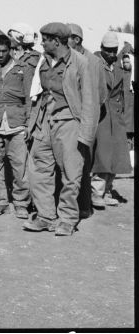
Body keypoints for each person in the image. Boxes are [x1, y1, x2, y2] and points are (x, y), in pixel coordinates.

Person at [23, 23, 98, 236]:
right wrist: (31, 123)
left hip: (69, 121)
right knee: (39, 170)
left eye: (45, 39)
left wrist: (86, 134)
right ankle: (46, 216)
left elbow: (90, 101)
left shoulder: (81, 63)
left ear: (57, 41)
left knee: (70, 173)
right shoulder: (43, 61)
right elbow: (37, 94)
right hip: (44, 120)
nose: (42, 42)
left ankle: (67, 219)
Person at [0, 35, 32, 218]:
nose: (1, 55)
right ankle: (0, 201)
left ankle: (21, 203)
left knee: (20, 168)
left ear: (10, 50)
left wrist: (28, 124)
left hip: (17, 124)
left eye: (4, 51)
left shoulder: (23, 69)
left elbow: (29, 98)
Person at [67, 22, 105, 218]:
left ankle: (83, 207)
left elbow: (101, 94)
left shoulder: (92, 61)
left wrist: (88, 116)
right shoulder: (68, 58)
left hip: (85, 120)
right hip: (68, 121)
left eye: (67, 38)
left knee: (83, 164)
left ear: (77, 40)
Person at [90, 32, 132, 208]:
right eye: (108, 51)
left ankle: (107, 191)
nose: (112, 54)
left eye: (114, 50)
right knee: (102, 155)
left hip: (116, 116)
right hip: (102, 116)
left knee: (116, 156)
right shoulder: (94, 64)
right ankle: (96, 193)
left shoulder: (119, 66)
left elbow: (125, 92)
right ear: (101, 49)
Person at [121, 53, 134, 158]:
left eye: (128, 62)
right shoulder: (122, 75)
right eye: (124, 62)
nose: (126, 64)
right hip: (126, 110)